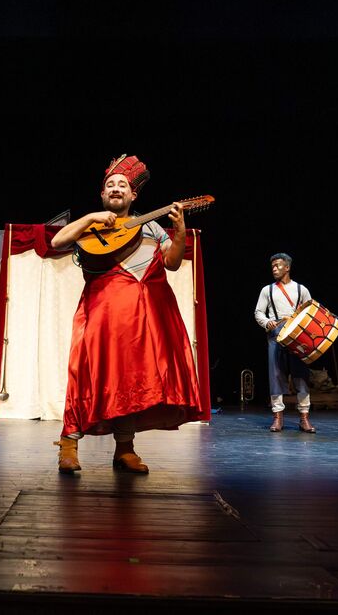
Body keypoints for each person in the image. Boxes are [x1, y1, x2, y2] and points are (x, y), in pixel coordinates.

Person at [50, 154, 206, 474]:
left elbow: (172, 262)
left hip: (139, 322)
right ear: (103, 194)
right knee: (87, 376)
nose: (116, 188)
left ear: (133, 195)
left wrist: (179, 231)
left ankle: (125, 450)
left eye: (122, 184)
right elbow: (57, 241)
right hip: (99, 314)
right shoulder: (92, 225)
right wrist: (93, 216)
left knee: (130, 384)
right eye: (110, 185)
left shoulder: (150, 227)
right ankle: (69, 444)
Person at [253, 253, 316, 433]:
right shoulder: (267, 290)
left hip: (297, 336)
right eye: (272, 266)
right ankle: (278, 417)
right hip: (276, 334)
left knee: (301, 376)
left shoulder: (301, 289)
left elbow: (310, 311)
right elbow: (258, 312)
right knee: (276, 375)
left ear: (287, 267)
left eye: (278, 265)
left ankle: (304, 418)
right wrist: (267, 323)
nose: (274, 269)